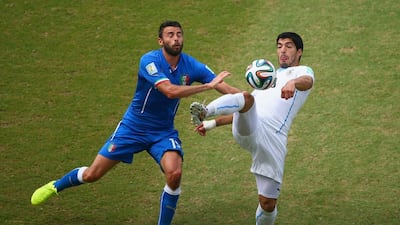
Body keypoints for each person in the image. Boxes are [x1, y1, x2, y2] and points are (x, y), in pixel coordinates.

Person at [31, 20, 240, 225]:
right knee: (93, 174)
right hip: (133, 128)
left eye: (179, 34)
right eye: (170, 35)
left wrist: (250, 99)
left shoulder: (191, 65)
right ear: (160, 41)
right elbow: (169, 91)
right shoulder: (149, 61)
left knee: (175, 174)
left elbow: (224, 87)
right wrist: (207, 87)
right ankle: (55, 186)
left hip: (163, 132)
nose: (176, 39)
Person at [190, 32, 314, 225]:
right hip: (251, 130)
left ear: (299, 52)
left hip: (274, 139)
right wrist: (211, 121)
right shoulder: (266, 80)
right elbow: (243, 109)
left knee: (268, 203)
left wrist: (292, 82)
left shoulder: (302, 72)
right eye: (279, 45)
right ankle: (206, 110)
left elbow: (308, 82)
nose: (282, 50)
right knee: (246, 98)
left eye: (288, 46)